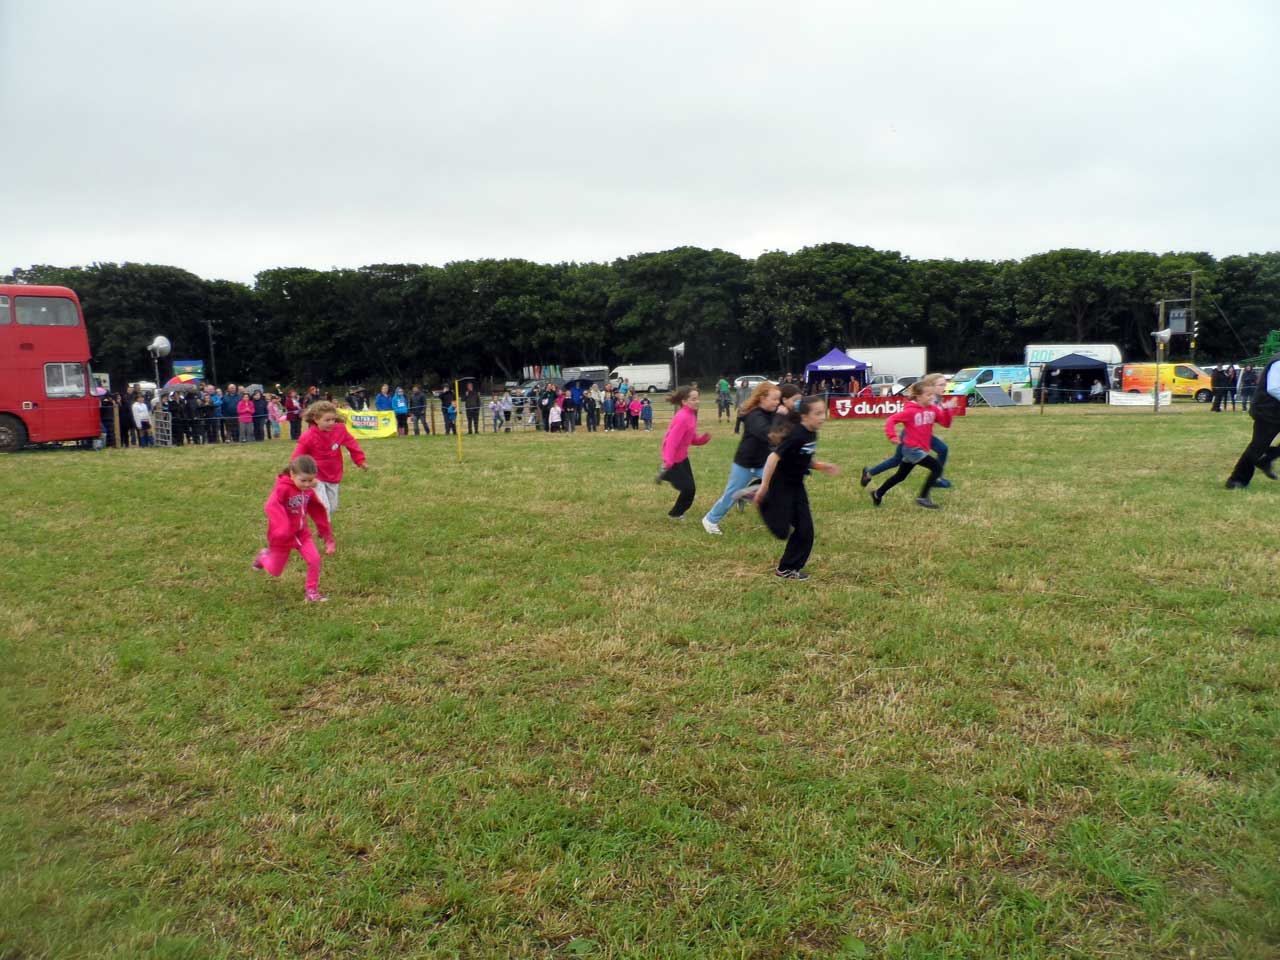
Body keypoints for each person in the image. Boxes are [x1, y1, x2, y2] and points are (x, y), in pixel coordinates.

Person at [754, 395, 840, 580]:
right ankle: (761, 499)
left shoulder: (812, 433)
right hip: (781, 484)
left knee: (806, 529)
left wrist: (821, 466)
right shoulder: (797, 434)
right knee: (782, 531)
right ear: (804, 416)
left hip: (796, 485)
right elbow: (773, 457)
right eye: (817, 413)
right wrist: (764, 486)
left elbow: (803, 458)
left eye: (823, 412)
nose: (822, 417)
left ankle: (786, 569)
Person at [252, 454, 334, 603]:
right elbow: (271, 506)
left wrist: (326, 534)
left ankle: (311, 592)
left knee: (314, 559)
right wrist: (283, 528)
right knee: (275, 571)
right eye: (303, 480)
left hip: (302, 534)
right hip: (281, 537)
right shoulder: (282, 488)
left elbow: (317, 510)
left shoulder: (307, 490)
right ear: (292, 474)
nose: (307, 484)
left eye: (310, 480)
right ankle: (263, 557)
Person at [702, 381, 781, 535]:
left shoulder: (772, 413)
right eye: (774, 399)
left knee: (780, 485)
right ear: (762, 398)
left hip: (762, 462)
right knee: (730, 494)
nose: (777, 402)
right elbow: (768, 434)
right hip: (745, 463)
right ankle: (710, 519)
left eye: (779, 399)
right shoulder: (754, 415)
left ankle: (749, 496)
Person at [860, 374, 953, 490]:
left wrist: (947, 409)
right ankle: (868, 473)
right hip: (911, 434)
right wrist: (892, 436)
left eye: (945, 384)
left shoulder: (936, 399)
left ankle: (937, 478)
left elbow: (945, 423)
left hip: (924, 434)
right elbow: (899, 417)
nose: (944, 387)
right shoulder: (927, 398)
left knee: (943, 449)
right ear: (931, 386)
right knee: (895, 461)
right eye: (941, 385)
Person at [292, 401, 368, 518]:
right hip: (316, 476)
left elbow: (352, 444)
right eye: (327, 420)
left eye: (333, 419)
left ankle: (315, 513)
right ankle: (324, 531)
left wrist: (360, 460)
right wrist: (295, 474)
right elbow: (297, 457)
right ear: (316, 419)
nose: (331, 423)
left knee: (332, 507)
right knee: (324, 507)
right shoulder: (308, 437)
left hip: (333, 475)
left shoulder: (340, 430)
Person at [1226, 355, 1280, 488]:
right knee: (1258, 446)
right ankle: (1236, 480)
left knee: (1259, 447)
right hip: (1267, 410)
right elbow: (1274, 388)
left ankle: (1267, 459)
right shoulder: (1279, 362)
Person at [656, 386, 710, 520]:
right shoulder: (682, 417)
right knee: (688, 489)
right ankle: (675, 514)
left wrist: (701, 440)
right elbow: (671, 442)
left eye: (698, 398)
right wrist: (668, 461)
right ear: (684, 402)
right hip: (674, 460)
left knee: (689, 488)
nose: (697, 401)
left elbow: (689, 437)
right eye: (693, 399)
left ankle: (665, 474)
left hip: (683, 458)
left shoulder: (691, 415)